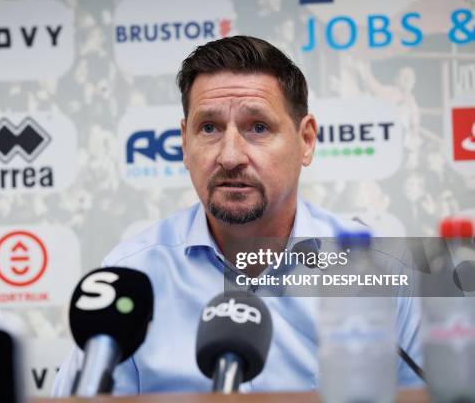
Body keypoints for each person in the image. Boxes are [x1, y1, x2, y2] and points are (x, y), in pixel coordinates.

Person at [53, 35, 422, 396]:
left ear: (306, 140)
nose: (230, 156)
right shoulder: (131, 276)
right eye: (209, 128)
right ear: (184, 143)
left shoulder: (381, 271)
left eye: (258, 127)